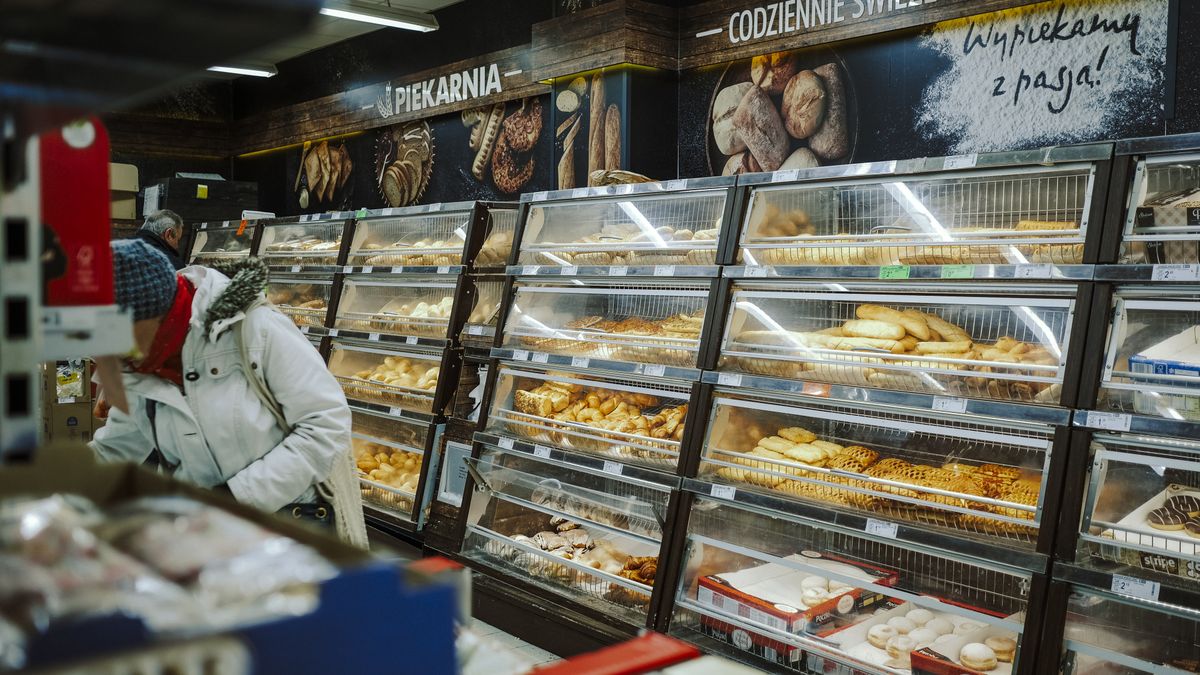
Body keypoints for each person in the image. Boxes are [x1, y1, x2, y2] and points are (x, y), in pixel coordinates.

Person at [90, 239, 367, 546]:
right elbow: (114, 450)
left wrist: (236, 497)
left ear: (153, 314)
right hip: (207, 541)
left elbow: (326, 424)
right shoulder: (136, 366)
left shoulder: (254, 330)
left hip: (288, 531)